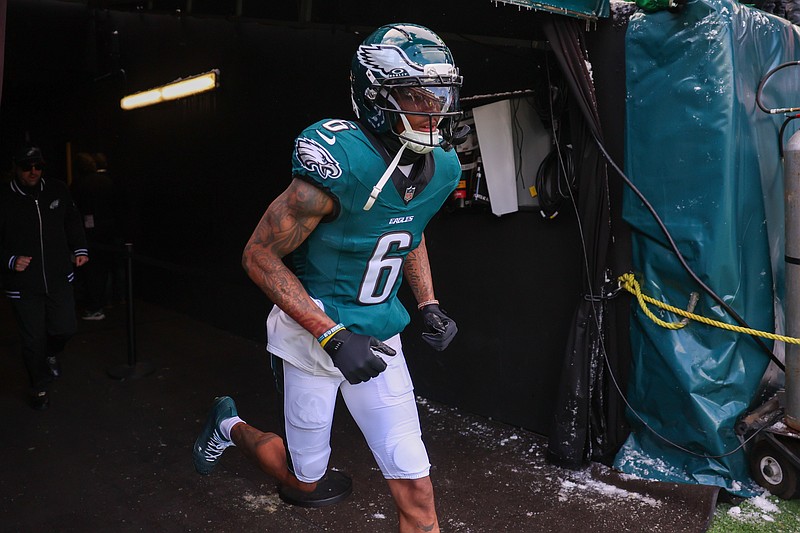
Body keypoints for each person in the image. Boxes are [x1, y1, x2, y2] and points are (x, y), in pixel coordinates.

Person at [193, 23, 465, 532]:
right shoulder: (340, 159)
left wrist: (427, 302)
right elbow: (258, 256)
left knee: (417, 487)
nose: (434, 107)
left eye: (440, 92)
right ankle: (227, 424)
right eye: (414, 94)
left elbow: (409, 227)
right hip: (313, 333)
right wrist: (331, 335)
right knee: (305, 480)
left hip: (380, 336)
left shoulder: (442, 166)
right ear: (376, 95)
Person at [0, 144, 89, 409]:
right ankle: (39, 387)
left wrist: (80, 248)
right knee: (32, 339)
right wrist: (10, 260)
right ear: (15, 168)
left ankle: (51, 353)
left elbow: (72, 220)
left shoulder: (57, 189)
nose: (33, 172)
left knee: (65, 328)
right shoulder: (4, 197)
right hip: (23, 285)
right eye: (27, 167)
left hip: (59, 276)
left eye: (38, 166)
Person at [71, 152, 125, 320]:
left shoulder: (80, 185)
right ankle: (107, 301)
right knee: (107, 269)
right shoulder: (107, 182)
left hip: (89, 235)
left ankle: (96, 306)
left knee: (92, 271)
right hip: (108, 233)